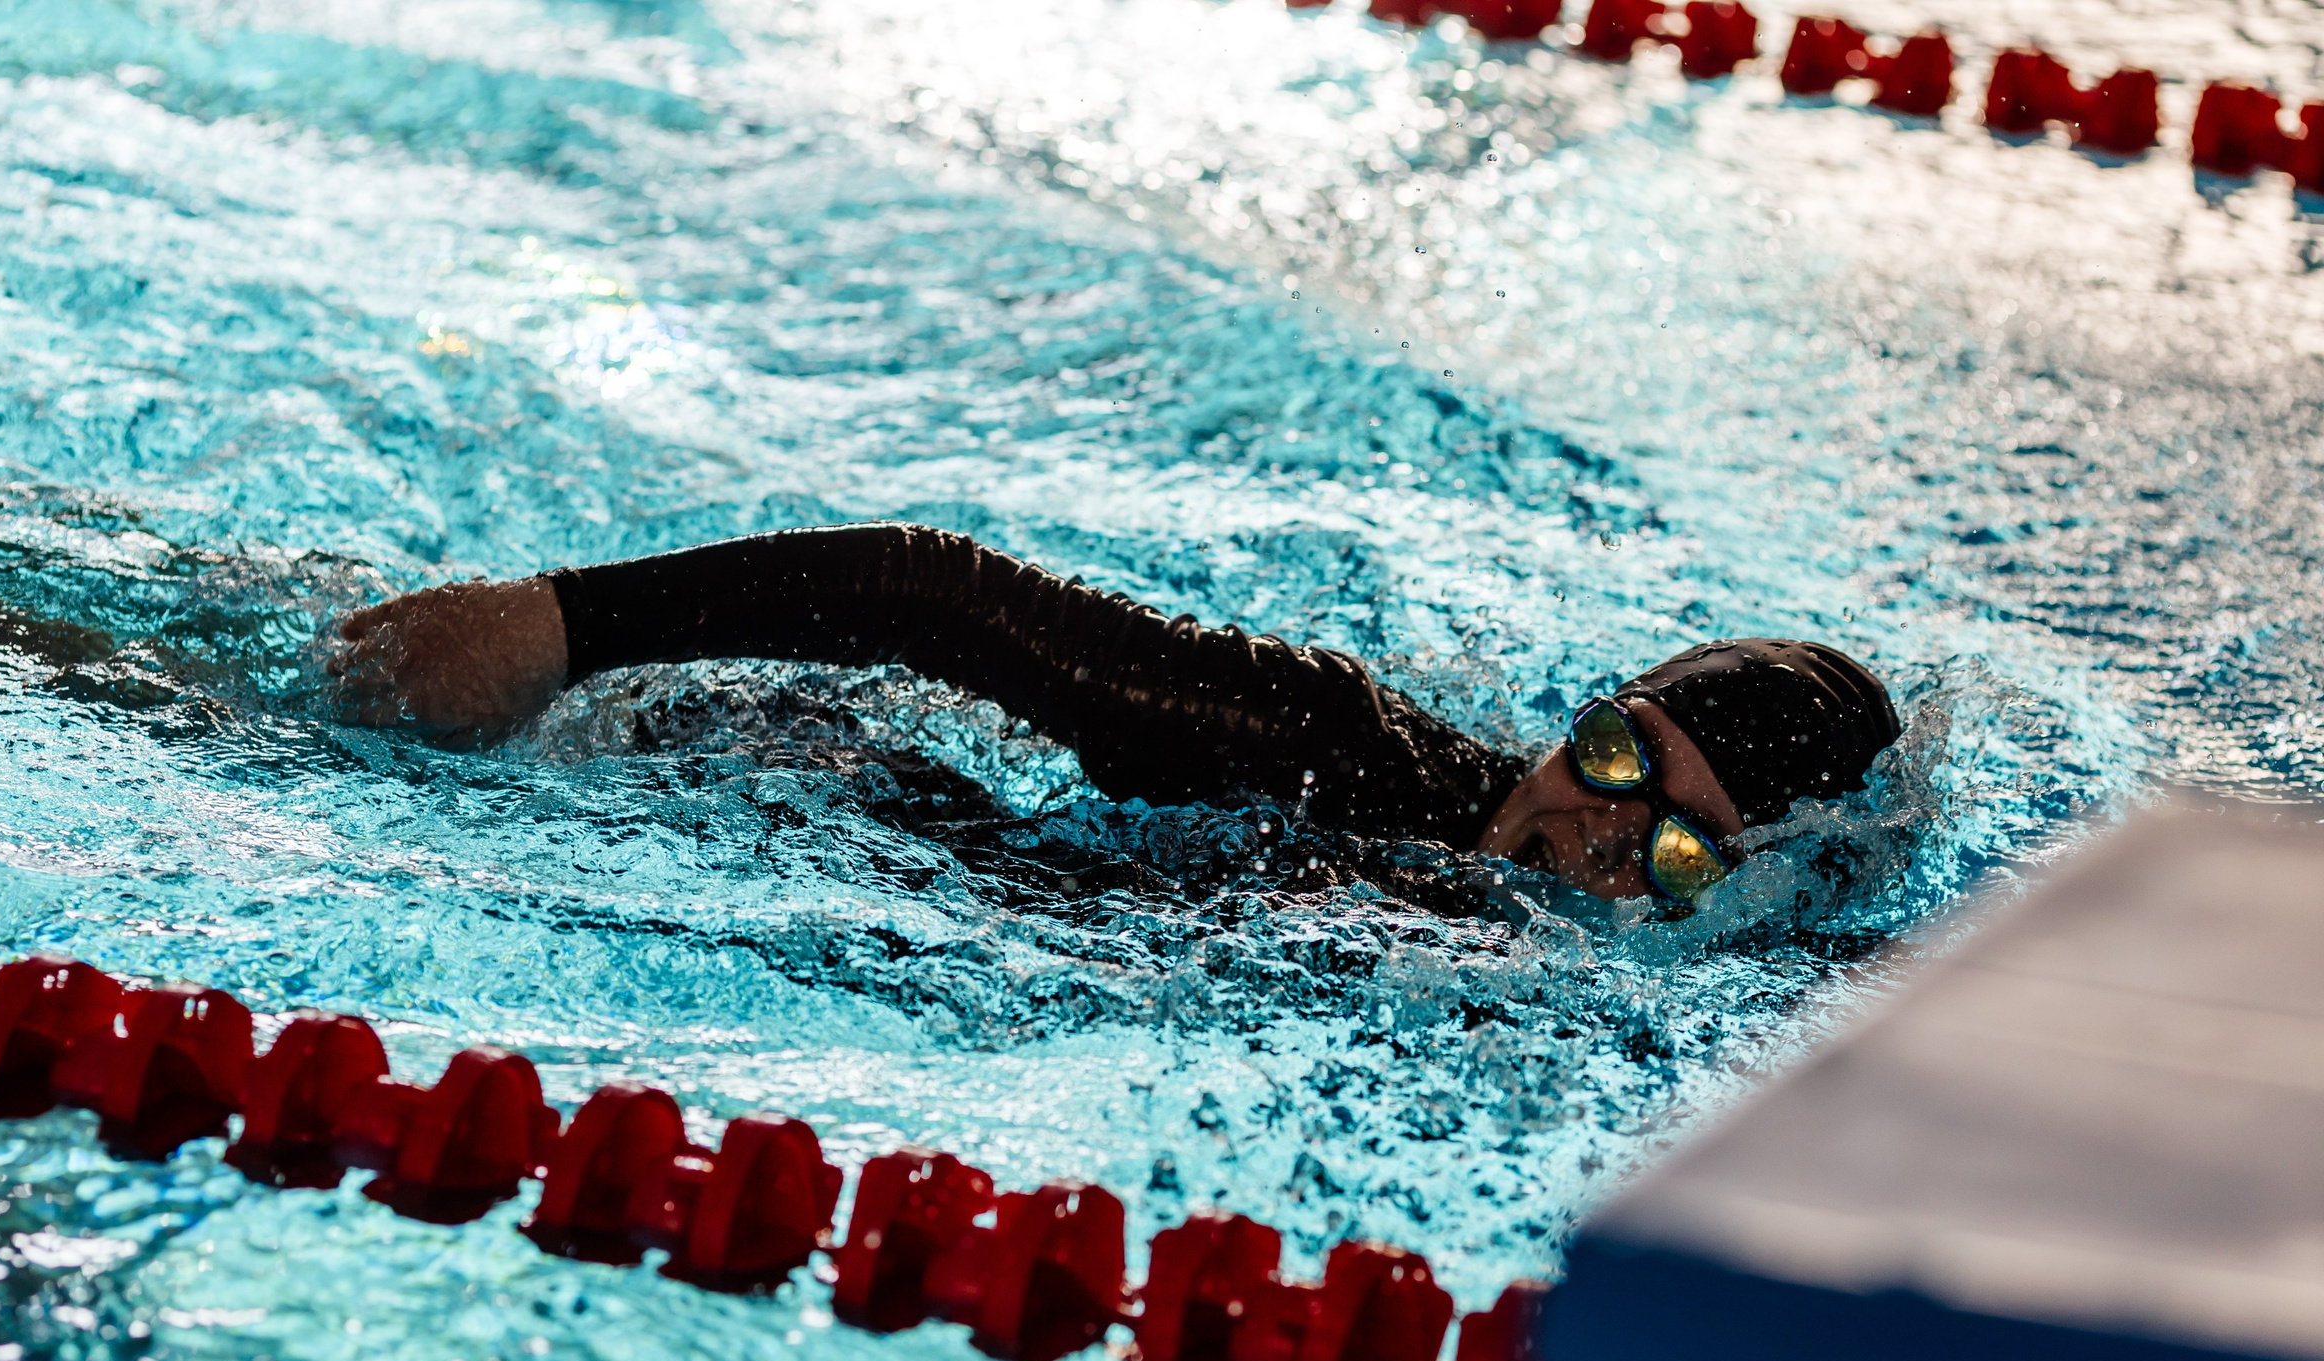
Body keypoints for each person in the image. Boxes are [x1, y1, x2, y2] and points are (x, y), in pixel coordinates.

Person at [327, 524, 1900, 906]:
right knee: (276, 696)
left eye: (1683, 848)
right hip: (705, 774)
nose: (1600, 830)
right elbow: (929, 592)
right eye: (1616, 754)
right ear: (1588, 714)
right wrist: (559, 625)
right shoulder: (1319, 741)